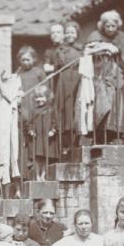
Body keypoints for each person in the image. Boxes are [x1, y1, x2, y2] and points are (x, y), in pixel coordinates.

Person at [85, 10, 124, 143]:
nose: (110, 29)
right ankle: (98, 134)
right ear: (102, 26)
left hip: (117, 74)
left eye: (113, 26)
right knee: (101, 103)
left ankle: (114, 133)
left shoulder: (122, 37)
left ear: (118, 26)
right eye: (107, 26)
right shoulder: (95, 35)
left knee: (116, 102)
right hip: (99, 73)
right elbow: (87, 50)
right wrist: (105, 47)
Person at [16, 46, 47, 179]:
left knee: (35, 134)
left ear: (34, 59)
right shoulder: (18, 73)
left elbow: (46, 89)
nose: (25, 62)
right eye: (23, 60)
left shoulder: (38, 72)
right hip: (23, 107)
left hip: (36, 106)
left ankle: (35, 162)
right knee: (24, 132)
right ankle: (27, 160)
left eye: (28, 59)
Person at [54, 21, 83, 157]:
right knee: (64, 109)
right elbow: (58, 65)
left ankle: (76, 142)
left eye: (73, 32)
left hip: (77, 79)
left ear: (77, 34)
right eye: (68, 32)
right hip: (64, 81)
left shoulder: (81, 49)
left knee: (75, 108)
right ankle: (65, 144)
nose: (70, 35)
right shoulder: (60, 50)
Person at [29, 85, 58, 180]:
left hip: (47, 136)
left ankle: (43, 174)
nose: (40, 99)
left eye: (42, 97)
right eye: (37, 97)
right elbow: (31, 122)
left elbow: (55, 121)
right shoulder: (34, 110)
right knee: (38, 157)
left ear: (47, 97)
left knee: (46, 156)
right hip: (38, 136)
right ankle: (37, 175)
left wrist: (53, 130)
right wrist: (31, 130)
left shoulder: (50, 109)